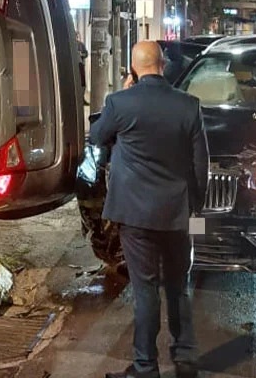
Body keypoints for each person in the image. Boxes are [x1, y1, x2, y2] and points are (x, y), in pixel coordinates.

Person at [90, 40, 210, 378]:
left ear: (134, 69)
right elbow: (201, 163)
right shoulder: (189, 106)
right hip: (178, 214)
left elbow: (96, 136)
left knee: (145, 291)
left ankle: (146, 366)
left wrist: (120, 95)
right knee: (177, 285)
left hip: (135, 215)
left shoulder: (120, 103)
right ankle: (185, 357)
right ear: (163, 65)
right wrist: (195, 209)